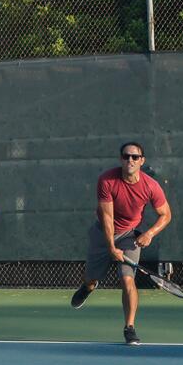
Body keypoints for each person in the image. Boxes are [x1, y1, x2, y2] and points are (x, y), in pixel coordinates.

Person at [70, 141, 171, 345]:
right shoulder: (107, 180)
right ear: (120, 159)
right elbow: (107, 217)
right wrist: (110, 247)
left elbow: (166, 215)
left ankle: (130, 327)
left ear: (142, 161)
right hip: (103, 233)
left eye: (135, 157)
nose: (130, 160)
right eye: (126, 156)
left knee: (127, 280)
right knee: (90, 278)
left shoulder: (151, 186)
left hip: (129, 236)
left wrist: (149, 234)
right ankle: (89, 287)